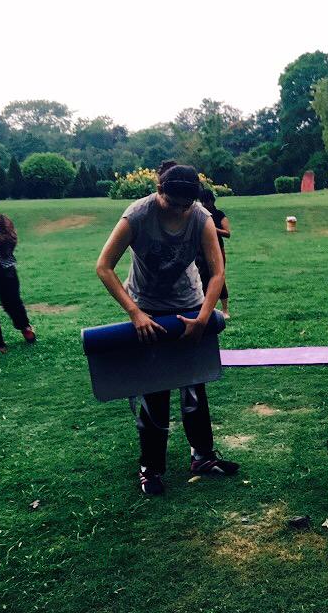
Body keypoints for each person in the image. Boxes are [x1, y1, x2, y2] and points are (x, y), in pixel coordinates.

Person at [96, 165, 239, 496]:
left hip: (190, 305)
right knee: (155, 393)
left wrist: (203, 317)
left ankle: (203, 456)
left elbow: (217, 273)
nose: (178, 210)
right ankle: (151, 468)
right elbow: (103, 266)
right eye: (171, 202)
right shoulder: (137, 215)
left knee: (194, 387)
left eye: (184, 205)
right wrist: (135, 313)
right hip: (148, 308)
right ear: (158, 191)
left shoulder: (200, 216)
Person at [0, 186, 35, 355]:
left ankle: (25, 328)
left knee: (12, 303)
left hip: (4, 269)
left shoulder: (1, 220)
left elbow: (11, 239)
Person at [197, 189, 231, 318]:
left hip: (217, 249)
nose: (204, 204)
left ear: (212, 201)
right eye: (202, 202)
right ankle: (207, 308)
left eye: (206, 201)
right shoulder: (200, 215)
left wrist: (213, 229)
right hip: (201, 251)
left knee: (219, 277)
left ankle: (225, 310)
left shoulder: (218, 215)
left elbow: (227, 233)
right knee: (202, 278)